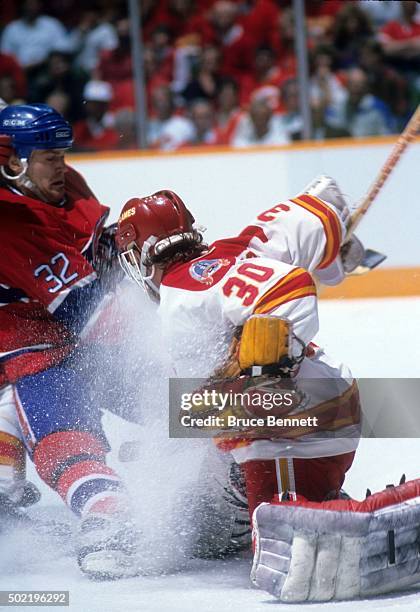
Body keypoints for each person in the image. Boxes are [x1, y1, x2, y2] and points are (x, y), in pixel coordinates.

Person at [115, 180, 420, 600]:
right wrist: (336, 251)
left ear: (141, 257)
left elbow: (288, 287)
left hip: (291, 427)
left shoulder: (181, 295)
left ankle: (318, 509)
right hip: (328, 401)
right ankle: (319, 498)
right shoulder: (235, 249)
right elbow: (316, 207)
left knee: (285, 551)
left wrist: (266, 367)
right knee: (210, 511)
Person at [0, 103, 140, 580]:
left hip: (71, 345)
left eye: (62, 154)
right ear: (11, 162)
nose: (62, 166)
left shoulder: (63, 184)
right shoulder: (8, 224)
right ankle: (107, 513)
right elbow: (89, 310)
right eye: (49, 157)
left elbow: (102, 256)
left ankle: (258, 473)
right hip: (35, 353)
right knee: (62, 438)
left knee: (184, 406)